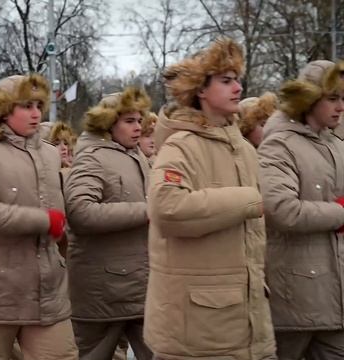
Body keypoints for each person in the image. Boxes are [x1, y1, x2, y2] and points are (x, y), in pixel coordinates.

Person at [144, 37, 276, 359]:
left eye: (238, 80)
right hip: (198, 329)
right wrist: (247, 200)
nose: (238, 88)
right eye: (226, 81)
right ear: (201, 90)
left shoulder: (245, 149)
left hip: (250, 320)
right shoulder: (180, 146)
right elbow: (167, 209)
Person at [0, 74, 77, 359]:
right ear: (3, 109)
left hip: (47, 291)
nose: (36, 113)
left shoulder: (49, 154)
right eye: (26, 105)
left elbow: (62, 216)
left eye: (39, 104)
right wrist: (43, 221)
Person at [258, 60, 344, 359]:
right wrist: (340, 213)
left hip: (335, 299)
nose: (341, 107)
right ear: (309, 99)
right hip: (294, 299)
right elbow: (280, 209)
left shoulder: (335, 144)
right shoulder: (279, 144)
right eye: (333, 99)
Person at [64, 86, 153, 360]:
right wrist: (147, 211)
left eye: (140, 120)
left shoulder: (137, 156)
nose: (138, 127)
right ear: (107, 123)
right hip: (102, 291)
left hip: (140, 285)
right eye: (129, 121)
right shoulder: (92, 157)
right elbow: (81, 212)